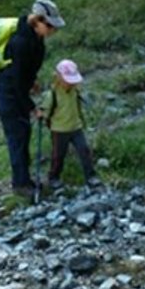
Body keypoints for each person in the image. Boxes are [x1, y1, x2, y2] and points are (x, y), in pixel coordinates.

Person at [0, 0, 65, 197]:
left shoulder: (36, 39)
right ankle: (20, 184)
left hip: (17, 88)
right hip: (6, 92)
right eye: (49, 25)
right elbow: (15, 81)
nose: (52, 30)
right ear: (38, 21)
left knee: (24, 132)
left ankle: (25, 179)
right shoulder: (20, 42)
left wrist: (32, 81)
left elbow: (26, 70)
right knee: (18, 136)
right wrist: (31, 107)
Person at [39, 59, 101, 190]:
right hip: (59, 130)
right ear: (59, 78)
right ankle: (53, 177)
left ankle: (91, 176)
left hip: (76, 127)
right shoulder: (52, 95)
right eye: (67, 81)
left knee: (84, 151)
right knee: (58, 155)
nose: (70, 84)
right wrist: (41, 115)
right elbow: (45, 111)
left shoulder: (75, 91)